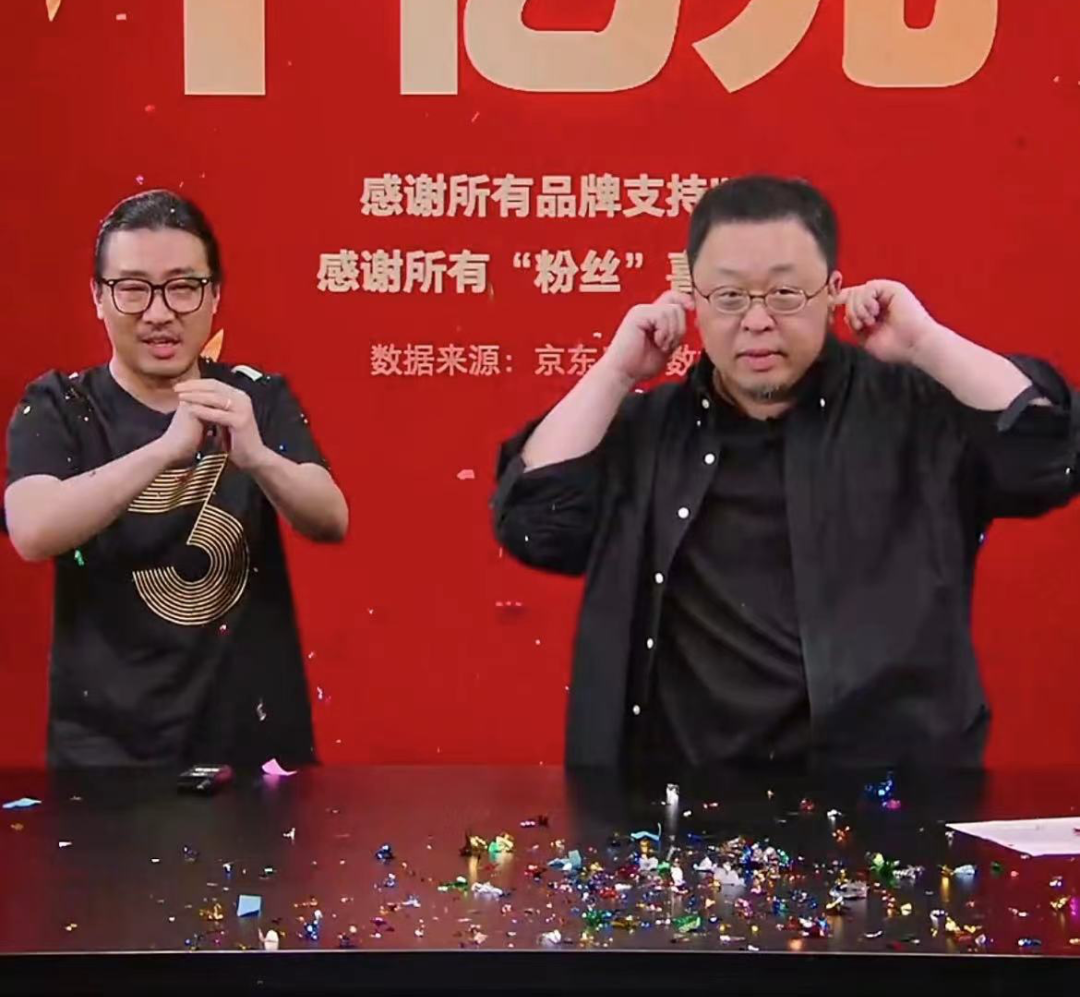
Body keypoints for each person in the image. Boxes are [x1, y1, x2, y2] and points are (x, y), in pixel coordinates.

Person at [493, 175, 1079, 770]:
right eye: (728, 296)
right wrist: (616, 372)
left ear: (832, 293)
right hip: (685, 798)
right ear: (693, 300)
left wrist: (928, 344)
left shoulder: (913, 414)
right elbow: (532, 523)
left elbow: (1051, 456)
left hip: (894, 794)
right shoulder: (649, 432)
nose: (756, 320)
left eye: (785, 294)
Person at [3, 190, 348, 770]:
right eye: (133, 288)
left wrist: (257, 457)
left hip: (249, 741)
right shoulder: (60, 404)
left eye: (183, 287)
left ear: (214, 296)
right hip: (105, 752)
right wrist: (167, 450)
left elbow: (331, 518)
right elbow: (33, 531)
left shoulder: (253, 398)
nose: (159, 313)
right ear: (98, 297)